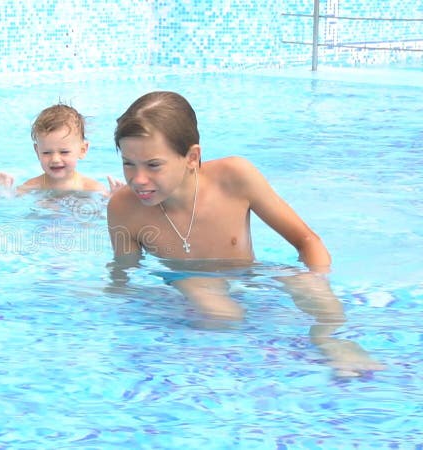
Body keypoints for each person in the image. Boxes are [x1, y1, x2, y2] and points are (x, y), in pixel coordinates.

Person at [107, 91, 383, 376]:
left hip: (250, 273)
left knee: (311, 288)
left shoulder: (234, 177)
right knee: (222, 314)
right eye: (129, 163)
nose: (138, 179)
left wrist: (319, 280)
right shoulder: (124, 208)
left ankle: (330, 341)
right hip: (186, 277)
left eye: (153, 165)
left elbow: (307, 240)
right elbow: (125, 272)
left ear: (191, 157)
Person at [0, 104, 124, 197]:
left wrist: (115, 199)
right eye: (46, 153)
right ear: (37, 152)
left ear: (83, 150)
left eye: (64, 152)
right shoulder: (31, 186)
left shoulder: (92, 189)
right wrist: (2, 191)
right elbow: (7, 204)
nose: (55, 159)